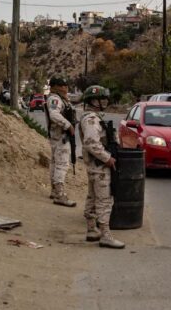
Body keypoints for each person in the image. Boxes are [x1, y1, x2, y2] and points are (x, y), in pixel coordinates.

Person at [79, 85, 124, 249]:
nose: (105, 101)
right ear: (93, 101)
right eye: (102, 98)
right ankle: (105, 235)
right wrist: (108, 158)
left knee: (92, 197)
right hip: (100, 166)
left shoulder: (93, 117)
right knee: (104, 200)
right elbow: (91, 142)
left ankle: (92, 229)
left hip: (95, 166)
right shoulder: (91, 119)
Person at [44, 76, 77, 207]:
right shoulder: (54, 99)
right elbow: (54, 115)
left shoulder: (59, 99)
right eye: (63, 86)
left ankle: (54, 191)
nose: (65, 88)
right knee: (62, 165)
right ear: (56, 87)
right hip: (60, 137)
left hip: (58, 136)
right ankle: (60, 195)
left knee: (55, 163)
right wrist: (68, 125)